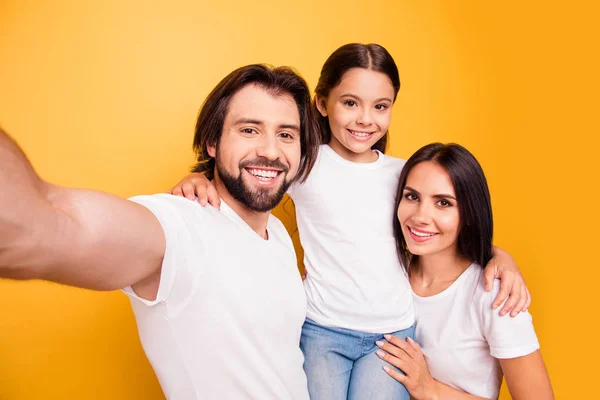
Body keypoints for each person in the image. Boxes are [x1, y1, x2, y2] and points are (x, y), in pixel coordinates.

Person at [168, 43, 531, 400]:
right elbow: (254, 175)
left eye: (380, 106)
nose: (365, 119)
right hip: (322, 329)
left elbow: (441, 228)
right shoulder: (305, 162)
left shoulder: (403, 174)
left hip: (391, 335)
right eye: (350, 103)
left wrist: (500, 258)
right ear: (323, 104)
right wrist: (201, 177)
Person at [0, 64, 323, 399]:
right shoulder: (180, 226)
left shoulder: (278, 233)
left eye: (286, 135)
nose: (271, 151)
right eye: (249, 130)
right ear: (212, 142)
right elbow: (49, 228)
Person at [375, 143, 554, 399]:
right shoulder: (386, 272)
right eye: (412, 196)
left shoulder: (495, 295)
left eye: (443, 203)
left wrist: (430, 389)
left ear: (469, 213)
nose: (420, 216)